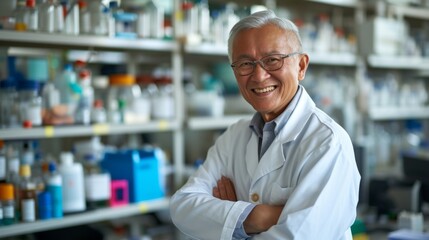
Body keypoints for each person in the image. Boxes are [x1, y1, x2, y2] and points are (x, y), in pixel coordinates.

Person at [170, 9, 361, 240]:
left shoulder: (327, 142)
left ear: (301, 66)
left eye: (272, 60)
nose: (259, 76)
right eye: (245, 63)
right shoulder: (234, 137)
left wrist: (230, 221)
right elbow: (182, 207)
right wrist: (258, 217)